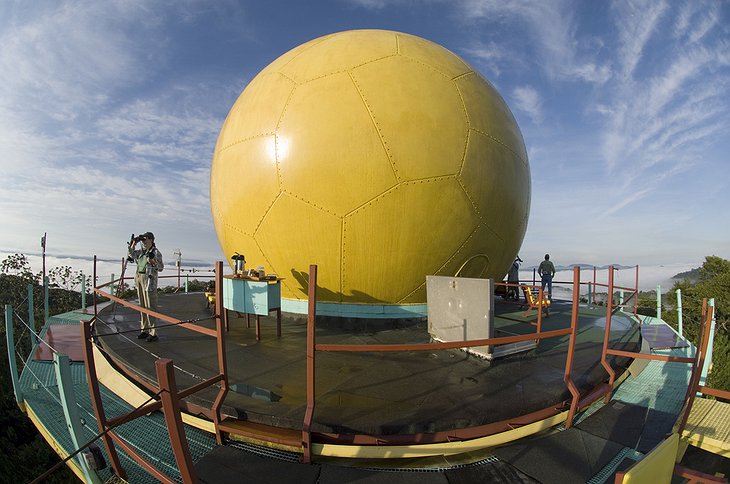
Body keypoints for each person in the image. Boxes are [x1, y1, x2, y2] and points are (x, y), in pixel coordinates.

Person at [128, 232, 164, 342]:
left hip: (148, 280)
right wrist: (133, 243)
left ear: (151, 240)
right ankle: (144, 330)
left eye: (145, 240)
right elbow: (131, 254)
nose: (143, 242)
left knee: (150, 306)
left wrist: (153, 262)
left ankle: (153, 333)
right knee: (142, 306)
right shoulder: (142, 252)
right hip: (139, 277)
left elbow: (161, 267)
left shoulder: (155, 252)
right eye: (142, 240)